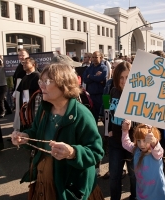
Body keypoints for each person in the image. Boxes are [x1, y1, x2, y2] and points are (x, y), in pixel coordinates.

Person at [11, 59, 104, 200]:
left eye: (47, 82)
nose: (41, 86)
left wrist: (73, 152)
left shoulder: (82, 114)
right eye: (40, 82)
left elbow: (96, 152)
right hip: (45, 181)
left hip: (69, 187)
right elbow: (36, 132)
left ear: (64, 85)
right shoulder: (44, 108)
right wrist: (24, 137)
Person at [108, 61, 136, 200]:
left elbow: (145, 120)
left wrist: (132, 122)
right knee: (114, 177)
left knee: (134, 176)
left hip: (133, 143)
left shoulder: (138, 94)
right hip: (115, 142)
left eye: (128, 77)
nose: (124, 81)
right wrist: (108, 129)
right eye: (121, 77)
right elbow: (108, 111)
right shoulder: (112, 91)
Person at [122, 121, 165, 200]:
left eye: (145, 140)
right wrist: (125, 130)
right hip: (143, 194)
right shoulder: (136, 150)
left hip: (158, 195)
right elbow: (125, 143)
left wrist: (154, 142)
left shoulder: (155, 152)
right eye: (138, 140)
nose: (141, 144)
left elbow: (160, 152)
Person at [152, 50, 165, 168]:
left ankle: (163, 158)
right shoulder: (147, 75)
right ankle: (154, 160)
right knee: (153, 139)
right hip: (152, 116)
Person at [83, 51, 107, 123]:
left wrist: (90, 76)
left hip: (101, 95)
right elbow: (85, 79)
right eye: (93, 57)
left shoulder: (104, 67)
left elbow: (101, 78)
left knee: (104, 115)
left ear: (101, 58)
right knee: (93, 115)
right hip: (91, 95)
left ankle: (106, 132)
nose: (94, 59)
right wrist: (95, 77)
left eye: (96, 57)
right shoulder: (89, 68)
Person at [12, 49, 28, 130]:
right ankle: (18, 129)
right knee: (18, 110)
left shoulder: (31, 65)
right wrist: (14, 93)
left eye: (23, 55)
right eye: (19, 55)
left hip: (26, 91)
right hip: (19, 91)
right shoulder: (19, 65)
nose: (21, 57)